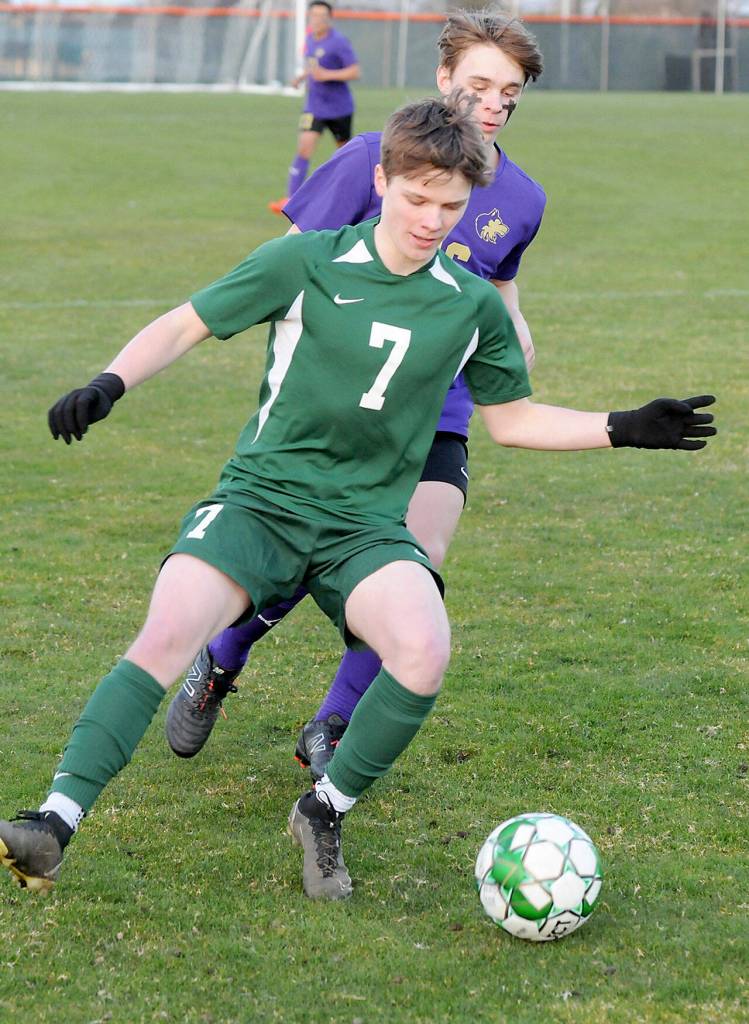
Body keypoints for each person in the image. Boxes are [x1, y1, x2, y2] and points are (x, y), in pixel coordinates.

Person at [0, 93, 716, 902]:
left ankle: (323, 808)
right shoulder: (303, 262)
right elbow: (185, 323)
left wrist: (622, 426)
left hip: (365, 525)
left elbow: (510, 421)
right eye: (415, 199)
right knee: (167, 631)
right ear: (381, 180)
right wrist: (110, 382)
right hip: (261, 502)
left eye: (449, 207)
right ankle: (54, 822)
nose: (429, 219)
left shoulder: (468, 305)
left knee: (423, 647)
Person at [166, 9, 547, 775]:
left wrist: (516, 331)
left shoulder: (525, 197)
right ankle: (220, 661)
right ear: (443, 80)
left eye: (509, 90)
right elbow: (290, 260)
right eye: (479, 84)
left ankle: (333, 724)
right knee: (296, 561)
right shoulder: (374, 160)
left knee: (419, 559)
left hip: (436, 410)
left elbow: (500, 287)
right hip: (337, 404)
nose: (495, 101)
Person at [268, 0, 360, 215]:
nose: (317, 20)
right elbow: (313, 67)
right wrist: (301, 77)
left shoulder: (338, 42)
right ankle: (291, 201)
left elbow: (355, 72)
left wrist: (327, 75)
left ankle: (351, 199)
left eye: (321, 16)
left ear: (329, 19)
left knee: (346, 155)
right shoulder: (309, 38)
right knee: (304, 148)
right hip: (314, 106)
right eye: (313, 15)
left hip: (339, 109)